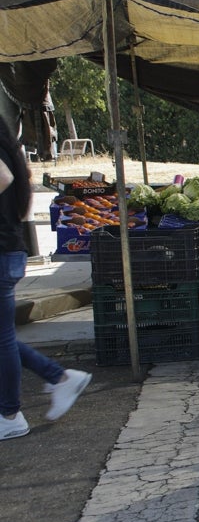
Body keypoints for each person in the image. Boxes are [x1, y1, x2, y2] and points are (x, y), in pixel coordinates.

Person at [1, 120, 91, 440]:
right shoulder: (9, 148)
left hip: (1, 253)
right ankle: (60, 377)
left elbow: (2, 178)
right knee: (2, 338)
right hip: (8, 250)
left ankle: (10, 413)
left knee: (2, 339)